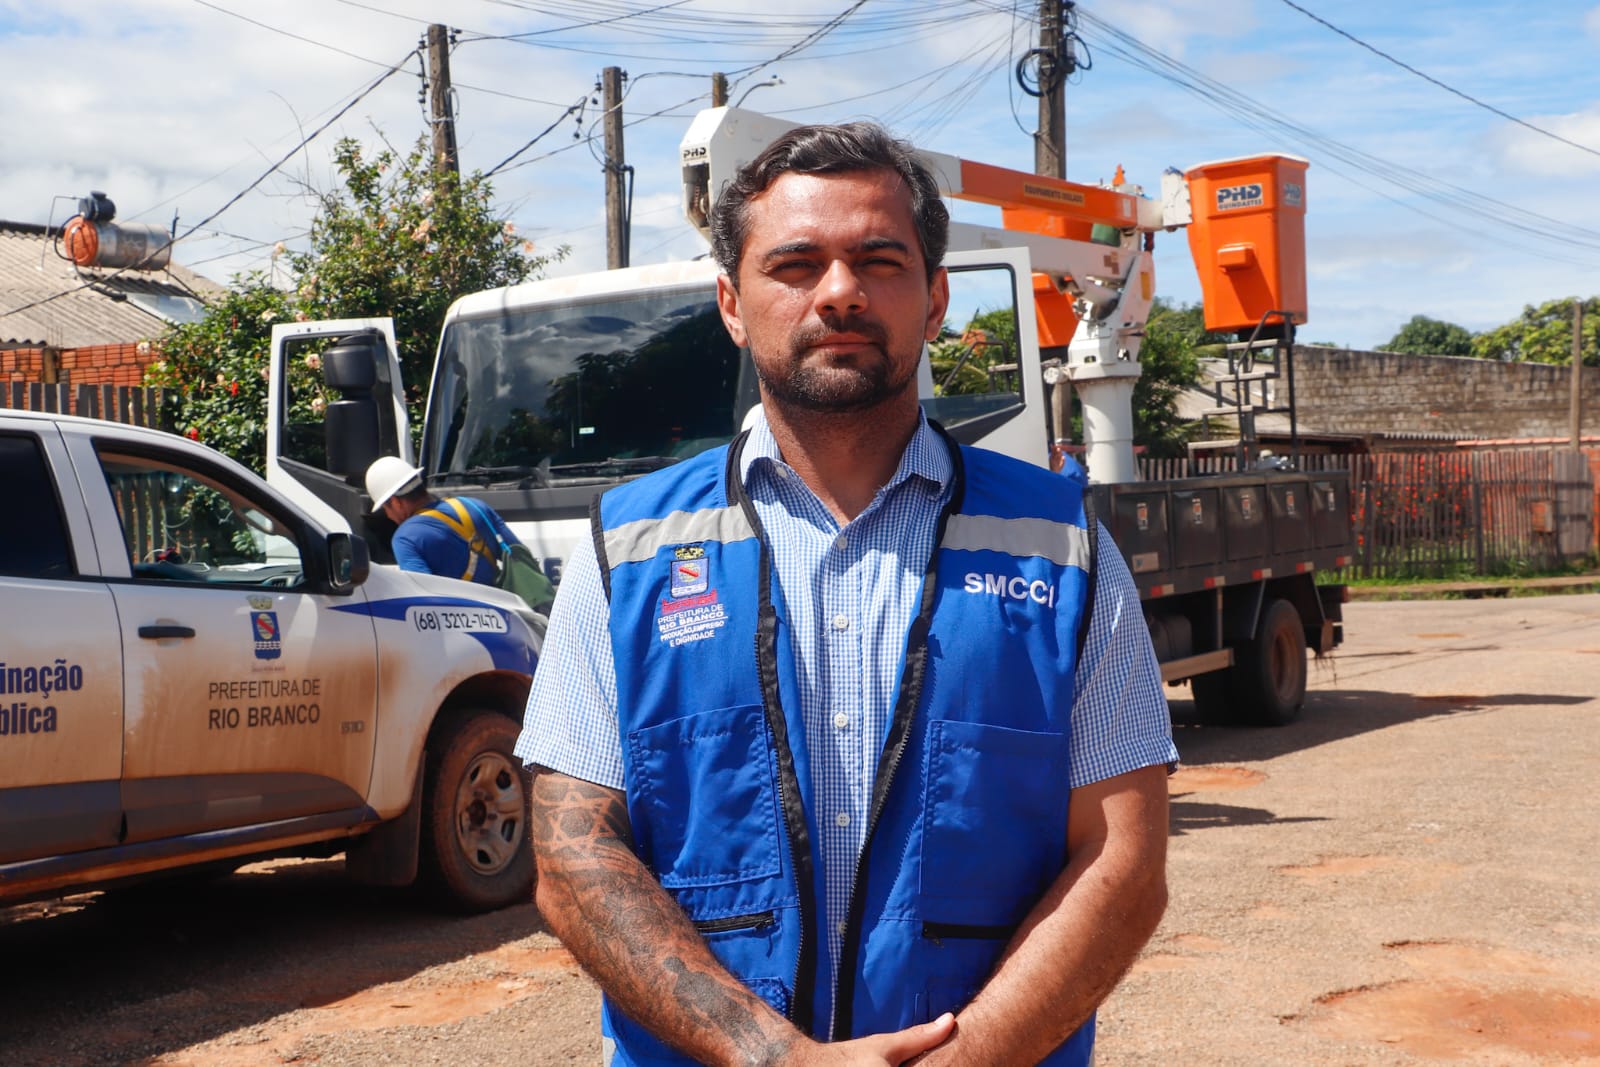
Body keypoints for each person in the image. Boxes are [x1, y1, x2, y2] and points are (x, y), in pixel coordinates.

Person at [515, 121, 1178, 1066]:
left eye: (880, 259)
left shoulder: (1063, 548)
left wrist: (963, 1057)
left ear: (937, 296)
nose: (840, 292)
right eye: (794, 264)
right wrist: (771, 1055)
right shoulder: (625, 551)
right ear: (731, 305)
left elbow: (1124, 865)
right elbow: (575, 858)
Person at [363, 455, 520, 585]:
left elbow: (423, 595)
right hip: (503, 615)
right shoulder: (476, 506)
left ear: (396, 502)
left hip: (462, 620)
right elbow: (518, 555)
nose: (389, 516)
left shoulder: (405, 538)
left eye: (386, 509)